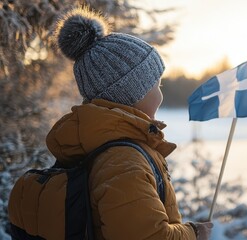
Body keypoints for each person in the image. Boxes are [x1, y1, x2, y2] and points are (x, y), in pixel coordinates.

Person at [48, 7, 213, 240]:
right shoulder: (123, 161)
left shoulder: (106, 145)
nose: (161, 93)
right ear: (133, 93)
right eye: (157, 85)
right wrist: (193, 233)